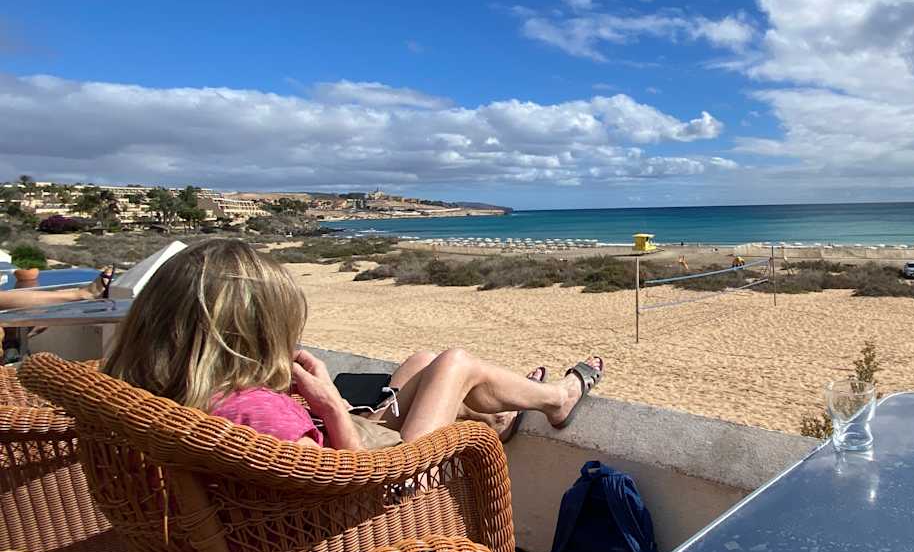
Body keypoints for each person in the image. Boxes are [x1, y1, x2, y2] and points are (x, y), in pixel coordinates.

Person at [102, 240, 602, 450]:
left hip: (351, 444)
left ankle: (492, 418)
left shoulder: (150, 392)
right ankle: (557, 399)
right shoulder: (257, 413)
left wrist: (328, 410)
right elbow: (341, 484)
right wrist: (333, 409)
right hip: (389, 482)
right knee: (455, 362)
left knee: (422, 362)